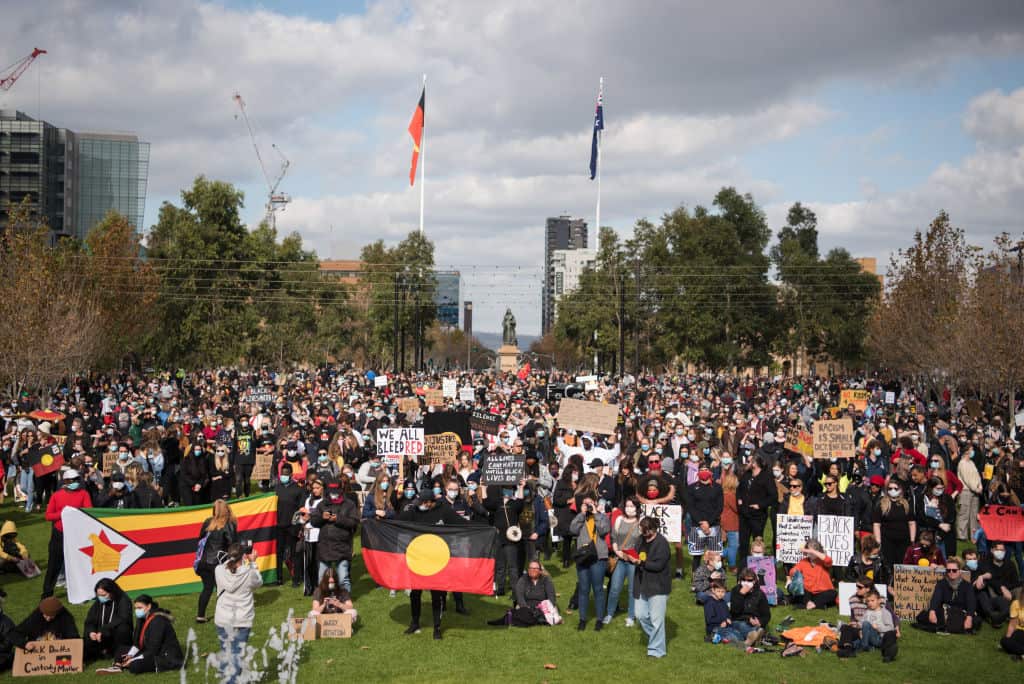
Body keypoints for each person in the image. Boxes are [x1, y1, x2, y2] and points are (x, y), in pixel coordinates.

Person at [398, 483, 466, 639]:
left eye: (423, 503)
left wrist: (484, 528)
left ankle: (437, 627)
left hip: (438, 560)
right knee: (415, 593)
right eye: (419, 502)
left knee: (437, 594)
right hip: (418, 559)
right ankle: (414, 623)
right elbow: (397, 522)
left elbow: (462, 523)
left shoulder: (444, 511)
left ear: (430, 502)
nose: (421, 505)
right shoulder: (414, 511)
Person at [214, 543, 262, 684]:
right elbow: (258, 582)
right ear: (243, 556)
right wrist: (252, 562)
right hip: (241, 619)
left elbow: (228, 566)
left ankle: (226, 675)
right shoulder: (249, 573)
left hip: (223, 618)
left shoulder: (219, 570)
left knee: (226, 650)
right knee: (236, 655)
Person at [98, 595, 183, 674]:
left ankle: (126, 664)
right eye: (136, 608)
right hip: (149, 651)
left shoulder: (158, 621)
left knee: (135, 666)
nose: (137, 611)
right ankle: (117, 666)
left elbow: (154, 649)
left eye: (139, 608)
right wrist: (130, 654)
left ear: (149, 607)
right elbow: (137, 643)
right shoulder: (142, 619)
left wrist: (133, 659)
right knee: (121, 649)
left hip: (164, 656)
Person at [42, 469, 91, 598]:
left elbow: (88, 511)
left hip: (76, 535)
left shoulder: (84, 494)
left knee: (78, 565)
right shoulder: (56, 496)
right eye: (72, 480)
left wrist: (75, 512)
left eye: (77, 480)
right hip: (59, 534)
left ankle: (80, 593)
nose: (75, 482)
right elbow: (48, 516)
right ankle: (47, 594)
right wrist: (62, 513)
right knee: (53, 565)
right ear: (65, 481)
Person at [629, 516, 672, 658]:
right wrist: (631, 557)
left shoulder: (662, 544)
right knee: (640, 615)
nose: (643, 534)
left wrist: (640, 562)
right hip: (642, 583)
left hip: (658, 586)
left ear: (653, 530)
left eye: (646, 531)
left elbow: (658, 566)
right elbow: (636, 553)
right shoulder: (641, 539)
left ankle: (656, 650)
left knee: (656, 620)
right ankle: (656, 637)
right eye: (642, 530)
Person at [569, 493, 610, 631]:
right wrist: (581, 514)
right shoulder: (580, 518)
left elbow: (604, 530)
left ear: (596, 503)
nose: (588, 506)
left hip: (598, 556)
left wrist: (596, 513)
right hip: (583, 557)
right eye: (585, 503)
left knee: (598, 588)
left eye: (590, 503)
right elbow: (572, 529)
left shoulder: (602, 517)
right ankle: (582, 619)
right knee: (583, 589)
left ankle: (599, 619)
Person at [311, 480, 360, 590]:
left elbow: (354, 522)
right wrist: (321, 517)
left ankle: (345, 601)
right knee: (322, 579)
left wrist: (338, 519)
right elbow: (314, 522)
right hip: (325, 546)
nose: (334, 494)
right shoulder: (322, 504)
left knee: (343, 578)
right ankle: (323, 602)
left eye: (336, 491)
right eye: (332, 491)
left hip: (342, 546)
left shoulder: (349, 504)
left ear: (341, 491)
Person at [196, 499, 238, 623]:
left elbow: (200, 540)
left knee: (207, 588)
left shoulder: (208, 522)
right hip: (218, 562)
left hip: (203, 562)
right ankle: (226, 615)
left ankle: (200, 615)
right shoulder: (229, 524)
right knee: (224, 589)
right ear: (227, 509)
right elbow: (233, 544)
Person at [914, 557, 978, 633]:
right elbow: (936, 598)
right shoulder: (942, 583)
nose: (951, 572)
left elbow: (971, 602)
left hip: (961, 612)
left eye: (954, 570)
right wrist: (932, 611)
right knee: (922, 616)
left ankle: (942, 626)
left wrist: (969, 617)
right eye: (948, 570)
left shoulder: (967, 586)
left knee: (975, 621)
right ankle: (948, 626)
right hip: (945, 612)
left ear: (960, 571)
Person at [605, 497, 642, 626]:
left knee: (632, 590)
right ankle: (609, 613)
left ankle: (631, 616)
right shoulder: (619, 519)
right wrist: (617, 551)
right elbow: (614, 537)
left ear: (637, 508)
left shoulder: (640, 522)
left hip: (633, 560)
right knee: (615, 587)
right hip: (620, 559)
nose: (629, 508)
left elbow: (643, 542)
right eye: (627, 505)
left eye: (632, 506)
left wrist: (636, 558)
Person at [488, 560, 559, 627]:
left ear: (540, 571)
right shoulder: (523, 580)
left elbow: (552, 598)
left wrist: (543, 609)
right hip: (527, 608)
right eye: (531, 568)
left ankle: (510, 618)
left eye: (535, 568)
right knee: (526, 614)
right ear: (528, 570)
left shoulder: (546, 580)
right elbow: (519, 597)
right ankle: (537, 620)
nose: (533, 570)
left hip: (543, 608)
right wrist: (526, 607)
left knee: (532, 617)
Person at [736, 455, 775, 568]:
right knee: (743, 542)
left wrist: (760, 505)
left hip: (757, 516)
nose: (747, 462)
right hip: (744, 514)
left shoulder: (766, 477)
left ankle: (758, 567)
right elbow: (739, 489)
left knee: (757, 541)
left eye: (750, 461)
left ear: (756, 463)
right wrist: (739, 500)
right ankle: (743, 567)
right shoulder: (746, 475)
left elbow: (773, 496)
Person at [83, 579, 132, 662]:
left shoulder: (123, 600)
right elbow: (90, 620)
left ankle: (118, 652)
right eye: (98, 595)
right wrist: (91, 632)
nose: (101, 598)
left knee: (123, 629)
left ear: (112, 592)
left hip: (114, 634)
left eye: (104, 595)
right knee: (86, 639)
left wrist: (104, 630)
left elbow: (122, 618)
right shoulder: (98, 602)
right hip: (100, 636)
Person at [873, 479, 915, 574]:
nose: (893, 490)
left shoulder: (906, 504)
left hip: (904, 540)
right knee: (888, 564)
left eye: (895, 488)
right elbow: (876, 524)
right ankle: (889, 585)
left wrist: (912, 540)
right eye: (890, 488)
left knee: (902, 564)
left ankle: (900, 586)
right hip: (887, 540)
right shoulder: (881, 504)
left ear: (900, 490)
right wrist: (878, 541)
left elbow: (911, 523)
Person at [273, 463, 305, 587]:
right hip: (279, 525)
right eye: (282, 474)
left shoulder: (298, 489)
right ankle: (279, 578)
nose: (284, 476)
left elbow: (301, 509)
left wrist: (298, 526)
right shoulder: (276, 488)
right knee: (279, 553)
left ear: (291, 475)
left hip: (292, 526)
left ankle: (296, 578)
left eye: (286, 474)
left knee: (294, 553)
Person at [974, 542, 1020, 628]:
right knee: (988, 587)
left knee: (1020, 589)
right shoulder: (985, 563)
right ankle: (1000, 616)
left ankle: (1018, 613)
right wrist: (1001, 588)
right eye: (997, 549)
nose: (1000, 552)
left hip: (1009, 591)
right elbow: (989, 579)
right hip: (993, 593)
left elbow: (1015, 582)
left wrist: (1006, 588)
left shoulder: (1010, 564)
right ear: (992, 550)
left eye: (1002, 550)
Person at [725, 567, 771, 651]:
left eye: (749, 580)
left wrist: (760, 622)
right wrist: (741, 594)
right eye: (744, 580)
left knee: (757, 627)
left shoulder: (760, 594)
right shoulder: (735, 591)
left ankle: (754, 635)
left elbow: (766, 615)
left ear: (754, 581)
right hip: (739, 619)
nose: (746, 583)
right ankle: (756, 634)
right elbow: (735, 611)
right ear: (740, 580)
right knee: (742, 625)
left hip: (755, 621)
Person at [7, 597, 79, 648]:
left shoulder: (66, 617)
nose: (47, 619)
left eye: (51, 616)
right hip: (37, 650)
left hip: (58, 650)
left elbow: (73, 636)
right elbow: (14, 634)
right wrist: (25, 644)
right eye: (45, 615)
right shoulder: (36, 616)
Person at [787, 539, 836, 609]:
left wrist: (811, 551)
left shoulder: (822, 561)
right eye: (809, 551)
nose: (811, 553)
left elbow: (828, 560)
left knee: (833, 593)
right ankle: (816, 605)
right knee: (797, 589)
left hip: (822, 592)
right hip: (808, 592)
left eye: (813, 551)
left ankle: (810, 605)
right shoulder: (804, 561)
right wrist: (794, 572)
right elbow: (792, 571)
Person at [299, 479, 325, 596]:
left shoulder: (324, 501)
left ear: (322, 489)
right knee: (308, 563)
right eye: (313, 488)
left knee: (319, 563)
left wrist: (310, 516)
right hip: (308, 535)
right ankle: (309, 588)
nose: (315, 490)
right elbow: (303, 517)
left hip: (319, 535)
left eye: (317, 488)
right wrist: (303, 518)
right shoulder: (308, 500)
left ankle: (320, 587)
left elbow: (321, 517)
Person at [1001, 587, 1024, 660]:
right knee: (1004, 641)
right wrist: (1008, 638)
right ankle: (1021, 654)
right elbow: (1012, 625)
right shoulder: (1016, 604)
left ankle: (1020, 655)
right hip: (1020, 631)